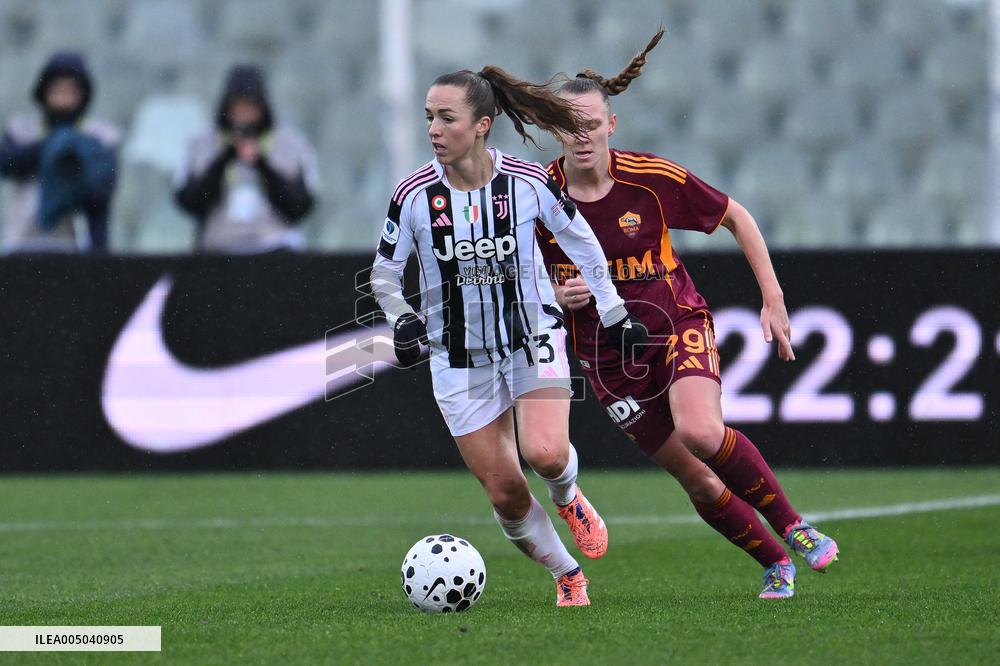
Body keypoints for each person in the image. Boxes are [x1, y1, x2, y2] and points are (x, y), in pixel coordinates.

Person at [536, 28, 839, 599]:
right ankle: (776, 562)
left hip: (675, 323)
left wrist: (772, 299)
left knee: (702, 431)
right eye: (569, 126)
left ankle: (795, 526)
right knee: (697, 479)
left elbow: (737, 216)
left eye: (592, 124)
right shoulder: (536, 197)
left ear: (611, 126)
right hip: (606, 359)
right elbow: (516, 282)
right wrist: (555, 297)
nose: (582, 136)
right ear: (555, 130)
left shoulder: (651, 180)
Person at [371, 68, 648, 606]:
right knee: (505, 490)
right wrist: (402, 316)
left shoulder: (526, 182)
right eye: (429, 116)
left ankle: (568, 496)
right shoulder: (412, 195)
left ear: (481, 125)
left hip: (532, 337)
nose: (433, 128)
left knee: (544, 452)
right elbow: (384, 272)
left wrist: (614, 312)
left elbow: (582, 242)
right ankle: (568, 574)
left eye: (446, 118)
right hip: (457, 357)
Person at [175, 64, 319, 253]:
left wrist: (262, 165)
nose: (244, 114)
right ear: (226, 107)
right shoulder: (201, 145)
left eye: (251, 106)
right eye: (238, 106)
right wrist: (225, 158)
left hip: (277, 253)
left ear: (263, 107)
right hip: (217, 253)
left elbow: (299, 205)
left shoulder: (292, 144)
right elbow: (190, 201)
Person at [0, 51, 120, 253]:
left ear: (83, 95)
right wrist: (55, 144)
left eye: (71, 91)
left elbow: (101, 196)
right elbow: (7, 165)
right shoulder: (22, 130)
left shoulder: (100, 137)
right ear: (43, 92)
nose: (63, 99)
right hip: (21, 243)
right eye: (56, 90)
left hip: (72, 247)